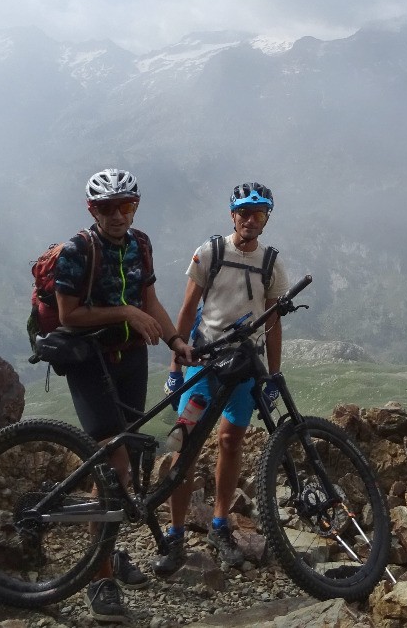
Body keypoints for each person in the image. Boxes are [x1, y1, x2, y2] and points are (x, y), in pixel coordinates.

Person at [54, 168, 196, 623]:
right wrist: (126, 311)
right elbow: (69, 313)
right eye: (107, 208)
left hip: (131, 359)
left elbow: (150, 299)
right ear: (91, 210)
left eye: (127, 206)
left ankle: (109, 555)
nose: (118, 216)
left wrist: (176, 341)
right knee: (112, 466)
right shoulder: (78, 250)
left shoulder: (141, 243)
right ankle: (99, 581)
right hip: (89, 359)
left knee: (129, 460)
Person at [152, 182, 290, 574]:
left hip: (245, 366)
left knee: (231, 441)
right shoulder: (210, 252)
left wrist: (273, 374)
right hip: (204, 361)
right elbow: (187, 308)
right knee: (186, 444)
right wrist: (176, 367)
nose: (250, 219)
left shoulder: (271, 263)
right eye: (244, 212)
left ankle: (219, 524)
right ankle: (176, 535)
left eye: (258, 213)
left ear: (266, 218)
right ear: (232, 215)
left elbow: (274, 322)